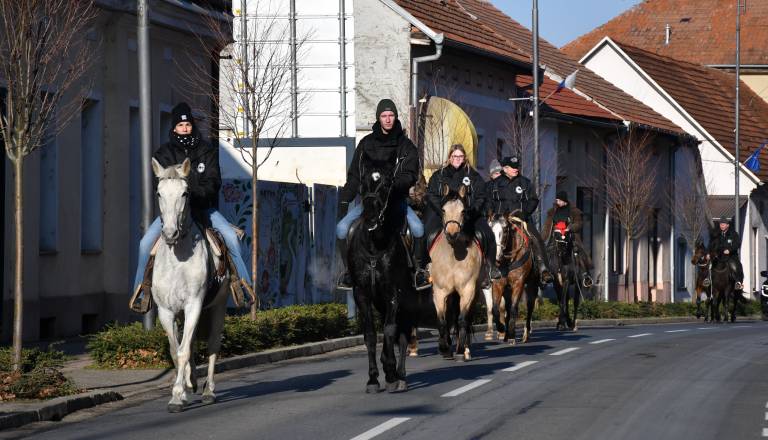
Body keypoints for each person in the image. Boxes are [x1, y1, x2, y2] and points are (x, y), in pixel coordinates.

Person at [130, 102, 253, 313]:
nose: (184, 127)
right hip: (172, 214)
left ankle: (241, 285)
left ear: (192, 125)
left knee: (232, 239)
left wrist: (194, 194)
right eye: (180, 124)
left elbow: (214, 181)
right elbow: (158, 185)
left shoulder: (206, 150)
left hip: (204, 209)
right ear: (174, 128)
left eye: (187, 124)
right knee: (143, 246)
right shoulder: (164, 153)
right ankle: (142, 292)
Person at [335, 99, 424, 289]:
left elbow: (410, 174)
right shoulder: (365, 144)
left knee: (418, 229)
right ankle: (349, 273)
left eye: (391, 115)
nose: (388, 119)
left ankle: (418, 272)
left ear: (395, 117)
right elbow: (354, 176)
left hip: (396, 202)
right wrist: (345, 199)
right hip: (369, 204)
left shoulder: (406, 145)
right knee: (342, 229)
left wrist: (393, 186)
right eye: (384, 116)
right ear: (378, 118)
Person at [418, 144, 501, 288]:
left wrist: (471, 210)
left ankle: (490, 268)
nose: (457, 159)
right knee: (425, 233)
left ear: (464, 158)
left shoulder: (473, 176)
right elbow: (431, 195)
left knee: (487, 234)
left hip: (468, 215)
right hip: (442, 215)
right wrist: (442, 211)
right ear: (450, 157)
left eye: (460, 156)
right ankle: (423, 269)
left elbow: (481, 195)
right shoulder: (439, 175)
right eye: (455, 156)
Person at [485, 155, 553, 284]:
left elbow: (533, 200)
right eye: (512, 167)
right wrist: (492, 214)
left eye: (517, 167)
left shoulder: (525, 183)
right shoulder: (495, 184)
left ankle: (544, 269)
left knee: (536, 237)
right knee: (484, 237)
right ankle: (486, 270)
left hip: (520, 220)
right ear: (504, 168)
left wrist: (525, 213)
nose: (516, 169)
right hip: (500, 221)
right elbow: (488, 201)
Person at [542, 191, 594, 287]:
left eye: (559, 200)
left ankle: (586, 276)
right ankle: (545, 275)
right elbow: (546, 227)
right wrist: (542, 240)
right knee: (546, 252)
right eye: (557, 200)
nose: (557, 202)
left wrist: (569, 228)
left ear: (564, 201)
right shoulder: (552, 212)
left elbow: (579, 224)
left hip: (571, 237)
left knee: (580, 252)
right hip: (555, 238)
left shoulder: (574, 211)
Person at [708, 218, 744, 291]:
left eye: (723, 224)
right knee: (708, 265)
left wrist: (729, 250)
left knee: (737, 266)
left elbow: (737, 244)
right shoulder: (716, 234)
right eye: (720, 224)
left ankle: (738, 282)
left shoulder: (733, 234)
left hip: (731, 256)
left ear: (727, 225)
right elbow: (711, 245)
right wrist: (708, 253)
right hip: (719, 256)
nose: (722, 226)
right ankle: (707, 280)